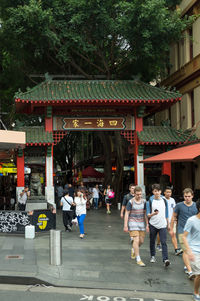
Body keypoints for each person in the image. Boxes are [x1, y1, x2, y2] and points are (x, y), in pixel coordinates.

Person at [170, 187, 198, 279]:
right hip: (182, 231)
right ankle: (190, 272)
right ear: (183, 196)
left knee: (193, 250)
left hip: (194, 232)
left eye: (189, 196)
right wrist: (171, 229)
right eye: (185, 196)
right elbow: (173, 217)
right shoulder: (179, 205)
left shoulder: (196, 206)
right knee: (186, 250)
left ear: (192, 196)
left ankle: (188, 265)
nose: (187, 198)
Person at [146, 183, 170, 267]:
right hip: (153, 224)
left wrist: (168, 223)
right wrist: (153, 214)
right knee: (152, 241)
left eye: (159, 191)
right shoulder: (150, 201)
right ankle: (152, 256)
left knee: (163, 242)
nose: (157, 193)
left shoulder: (164, 200)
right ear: (153, 191)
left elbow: (166, 213)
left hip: (163, 224)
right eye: (155, 191)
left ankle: (165, 259)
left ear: (161, 191)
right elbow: (148, 214)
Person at [124, 186, 148, 267]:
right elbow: (127, 213)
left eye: (140, 194)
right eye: (137, 194)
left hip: (141, 223)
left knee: (141, 241)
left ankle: (134, 249)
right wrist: (125, 225)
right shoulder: (130, 202)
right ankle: (138, 259)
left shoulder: (144, 202)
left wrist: (147, 224)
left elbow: (145, 213)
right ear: (134, 194)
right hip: (132, 223)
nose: (139, 196)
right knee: (136, 240)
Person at [182, 199, 200, 301]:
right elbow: (184, 237)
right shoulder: (192, 220)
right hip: (194, 251)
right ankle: (196, 292)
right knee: (199, 274)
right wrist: (189, 251)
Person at [164, 186, 183, 256]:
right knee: (160, 234)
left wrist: (175, 219)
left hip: (171, 220)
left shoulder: (172, 200)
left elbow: (175, 210)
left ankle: (176, 249)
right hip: (163, 220)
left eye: (170, 192)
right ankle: (158, 244)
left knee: (173, 234)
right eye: (167, 192)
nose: (168, 193)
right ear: (164, 193)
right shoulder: (162, 199)